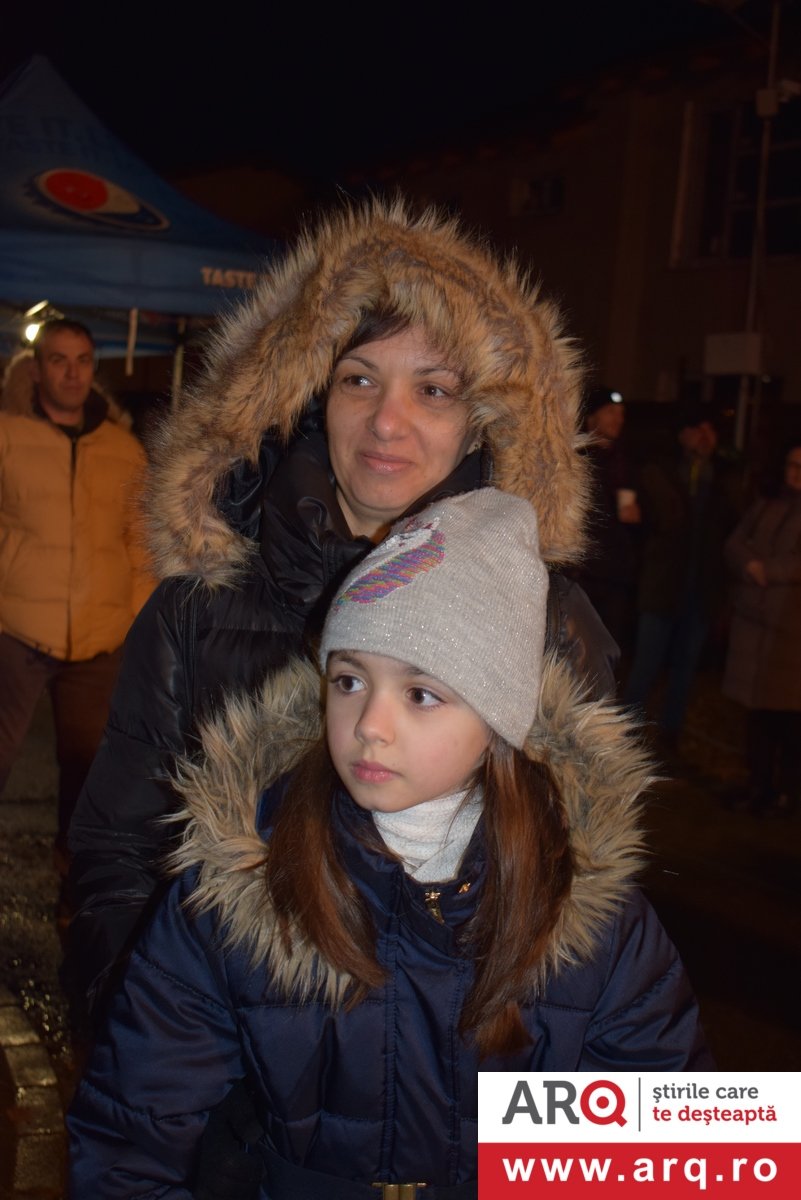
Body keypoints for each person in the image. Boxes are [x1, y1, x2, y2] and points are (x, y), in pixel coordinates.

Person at [68, 489, 711, 1197]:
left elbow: (675, 1154)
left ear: (499, 720)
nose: (369, 724)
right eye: (349, 680)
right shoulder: (236, 889)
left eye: (421, 694)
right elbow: (129, 1137)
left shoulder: (595, 917)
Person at [67, 199, 618, 1018]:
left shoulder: (544, 621)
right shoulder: (199, 605)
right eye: (358, 378)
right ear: (309, 395)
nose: (386, 421)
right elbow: (119, 848)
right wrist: (143, 1026)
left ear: (482, 425)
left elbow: (574, 887)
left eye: (433, 389)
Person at [0, 319, 154, 865]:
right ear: (37, 369)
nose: (72, 373)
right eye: (59, 360)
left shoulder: (122, 448)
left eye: (83, 360)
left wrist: (131, 616)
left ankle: (73, 886)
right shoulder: (8, 437)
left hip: (98, 642)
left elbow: (140, 540)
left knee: (87, 772)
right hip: (16, 632)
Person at [622, 403, 735, 756]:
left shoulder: (722, 480)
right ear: (682, 434)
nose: (705, 437)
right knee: (646, 665)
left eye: (711, 430)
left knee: (685, 670)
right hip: (662, 587)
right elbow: (653, 519)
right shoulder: (661, 472)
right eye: (698, 429)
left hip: (700, 592)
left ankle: (670, 738)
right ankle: (623, 738)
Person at [722, 444, 801, 815]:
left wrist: (769, 570)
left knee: (786, 716)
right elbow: (735, 542)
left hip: (789, 633)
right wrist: (749, 564)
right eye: (792, 464)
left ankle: (784, 791)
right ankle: (758, 784)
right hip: (753, 627)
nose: (796, 472)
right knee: (756, 713)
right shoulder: (767, 504)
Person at [574, 386, 640, 661]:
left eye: (621, 413)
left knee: (606, 654)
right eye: (611, 412)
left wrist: (637, 515)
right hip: (582, 575)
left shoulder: (626, 461)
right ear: (592, 417)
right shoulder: (577, 457)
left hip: (615, 574)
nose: (618, 419)